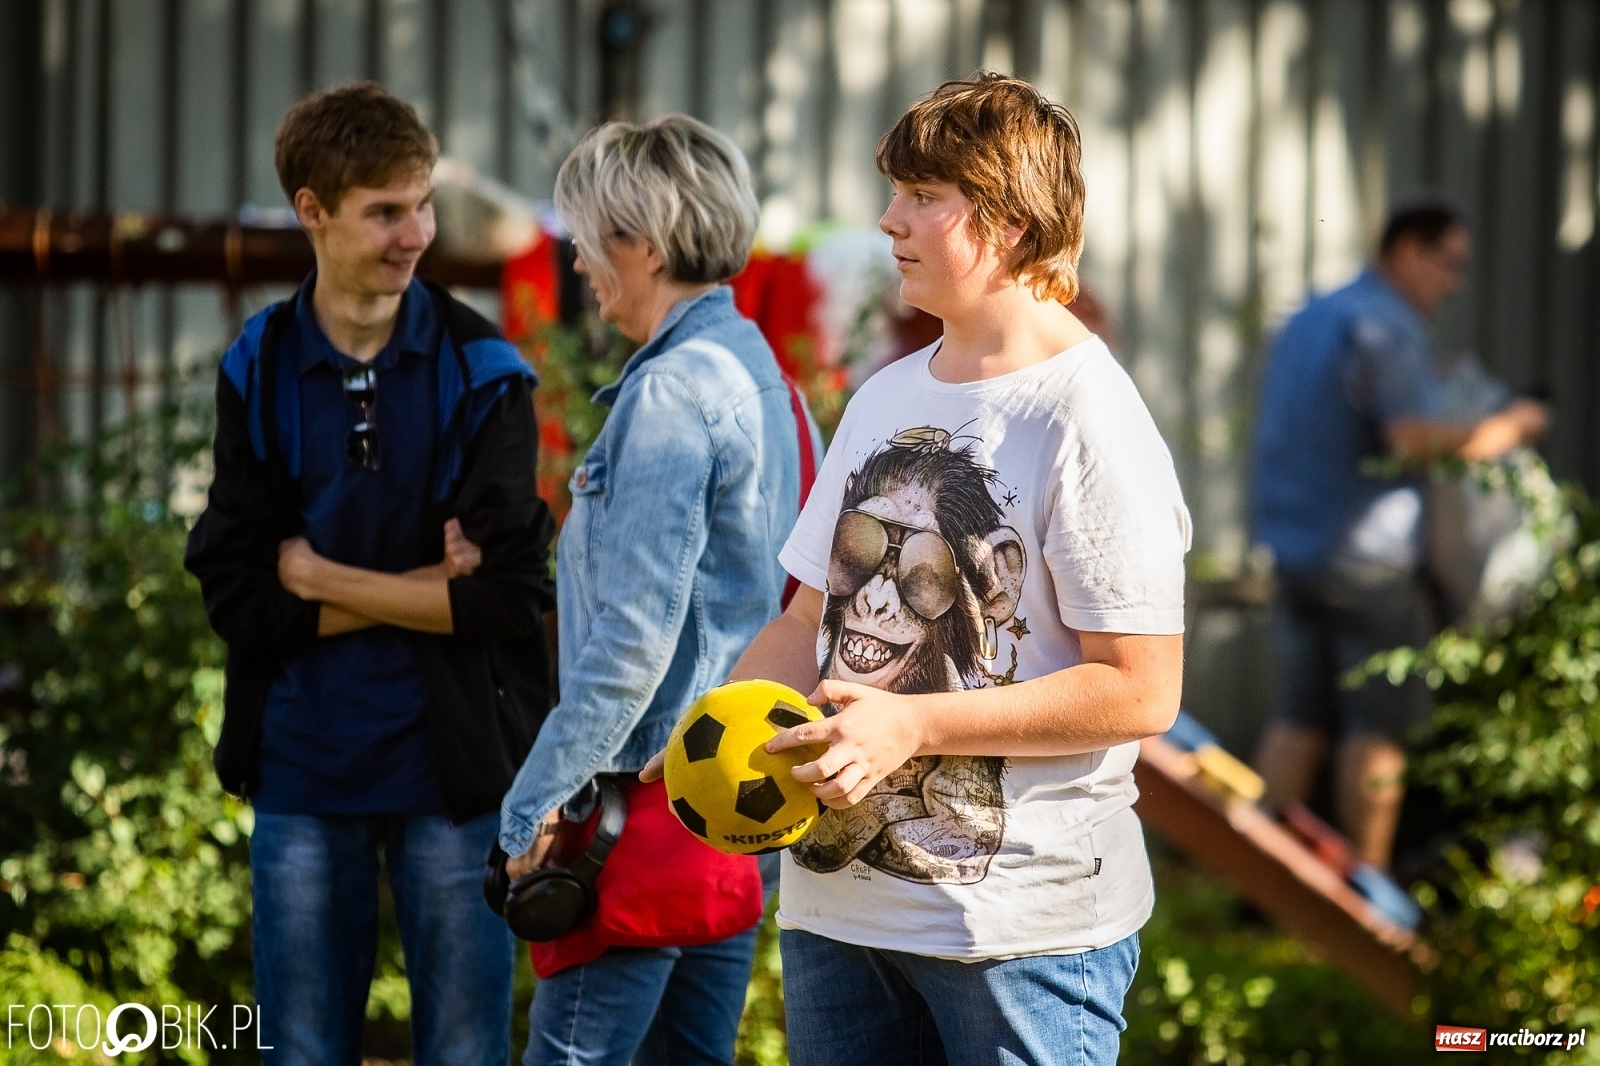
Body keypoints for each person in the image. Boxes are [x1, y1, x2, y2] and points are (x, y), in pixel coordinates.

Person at [647, 73, 1191, 1065]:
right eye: (895, 192)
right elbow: (803, 615)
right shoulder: (888, 394)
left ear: (1011, 224)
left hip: (1022, 941)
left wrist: (915, 720)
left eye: (923, 196)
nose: (888, 220)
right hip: (838, 920)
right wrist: (713, 726)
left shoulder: (1089, 419)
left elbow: (1142, 689)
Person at [184, 83, 555, 1064]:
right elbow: (238, 596)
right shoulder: (257, 366)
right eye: (386, 211)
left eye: (422, 203)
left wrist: (316, 575)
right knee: (302, 1050)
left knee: (466, 1051)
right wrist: (419, 590)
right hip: (302, 773)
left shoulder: (486, 371)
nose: (417, 234)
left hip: (454, 773)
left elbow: (509, 598)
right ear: (313, 210)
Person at [496, 114, 813, 1066]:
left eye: (591, 241)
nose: (582, 266)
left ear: (644, 244)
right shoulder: (769, 378)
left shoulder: (672, 393)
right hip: (725, 815)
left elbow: (633, 638)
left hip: (632, 826)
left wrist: (533, 803)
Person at [1250, 201, 1549, 870]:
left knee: (1299, 718)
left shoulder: (1312, 317)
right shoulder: (1386, 323)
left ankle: (1258, 893)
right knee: (1376, 730)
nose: (1455, 283)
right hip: (1369, 567)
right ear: (1408, 250)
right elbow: (1412, 438)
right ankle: (1369, 904)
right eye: (1450, 265)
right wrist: (1517, 426)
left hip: (1296, 552)